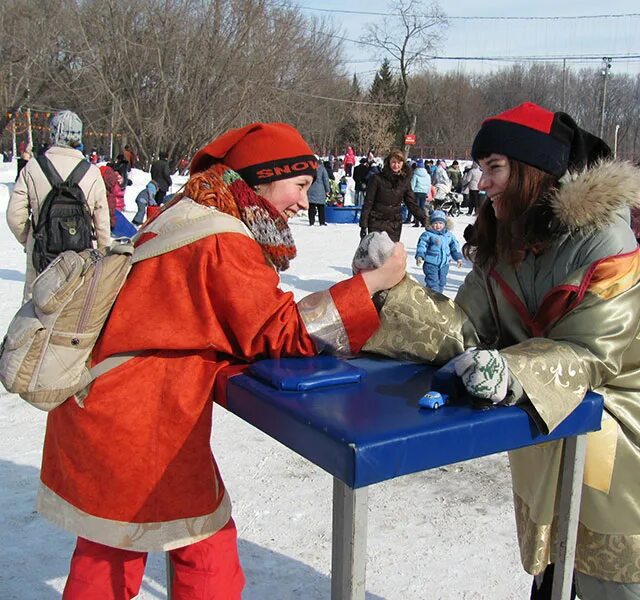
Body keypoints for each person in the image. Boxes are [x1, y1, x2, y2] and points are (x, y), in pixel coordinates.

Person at [35, 122, 407, 599]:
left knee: (112, 551)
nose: (303, 199)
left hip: (111, 406)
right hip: (140, 420)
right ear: (262, 179)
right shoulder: (224, 238)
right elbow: (280, 331)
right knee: (200, 549)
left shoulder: (191, 212)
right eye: (298, 185)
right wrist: (373, 284)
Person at [360, 102, 640, 600]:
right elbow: (467, 329)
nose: (482, 181)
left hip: (622, 433)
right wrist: (392, 290)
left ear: (534, 172)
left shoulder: (607, 242)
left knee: (623, 580)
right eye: (482, 167)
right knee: (556, 571)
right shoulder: (504, 241)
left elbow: (592, 350)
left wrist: (510, 369)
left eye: (495, 167)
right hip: (547, 432)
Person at [7, 110, 110, 302]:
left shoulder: (33, 167)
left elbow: (14, 215)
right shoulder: (92, 173)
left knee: (34, 313)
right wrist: (103, 253)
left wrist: (31, 240)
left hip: (41, 256)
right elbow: (102, 224)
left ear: (53, 134)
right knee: (73, 313)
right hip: (79, 260)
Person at [359, 149, 426, 242]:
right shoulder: (377, 179)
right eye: (393, 162)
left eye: (399, 162)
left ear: (403, 164)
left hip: (394, 224)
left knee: (391, 254)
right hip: (377, 222)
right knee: (376, 254)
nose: (396, 165)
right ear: (389, 162)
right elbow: (368, 202)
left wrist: (424, 219)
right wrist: (363, 225)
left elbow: (411, 203)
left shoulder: (404, 181)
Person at [414, 209, 463, 293]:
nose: (438, 225)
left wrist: (458, 258)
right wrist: (420, 255)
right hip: (431, 264)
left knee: (442, 283)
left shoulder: (449, 235)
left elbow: (454, 247)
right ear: (431, 224)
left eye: (440, 223)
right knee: (433, 283)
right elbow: (422, 245)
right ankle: (434, 299)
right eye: (435, 223)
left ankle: (437, 298)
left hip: (444, 264)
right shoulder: (428, 235)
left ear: (445, 224)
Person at [307, 160, 330, 226]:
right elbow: (326, 180)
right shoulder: (322, 169)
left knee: (311, 206)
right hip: (320, 190)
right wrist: (327, 190)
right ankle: (322, 221)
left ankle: (311, 221)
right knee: (321, 207)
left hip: (311, 189)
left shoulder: (310, 168)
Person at [409, 158, 431, 226]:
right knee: (422, 208)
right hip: (424, 193)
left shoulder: (415, 174)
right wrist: (427, 193)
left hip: (416, 192)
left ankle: (416, 222)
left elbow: (413, 184)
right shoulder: (427, 175)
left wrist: (411, 192)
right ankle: (423, 221)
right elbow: (429, 185)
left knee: (416, 208)